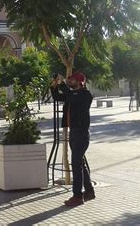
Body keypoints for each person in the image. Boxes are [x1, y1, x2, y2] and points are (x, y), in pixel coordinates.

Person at [51, 72, 95, 207]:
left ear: (80, 82)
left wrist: (63, 84)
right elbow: (58, 96)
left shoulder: (85, 95)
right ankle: (89, 191)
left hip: (81, 133)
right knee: (79, 162)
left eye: (73, 80)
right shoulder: (72, 94)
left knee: (76, 164)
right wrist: (54, 86)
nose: (70, 81)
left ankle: (77, 196)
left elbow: (72, 97)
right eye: (69, 80)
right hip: (74, 132)